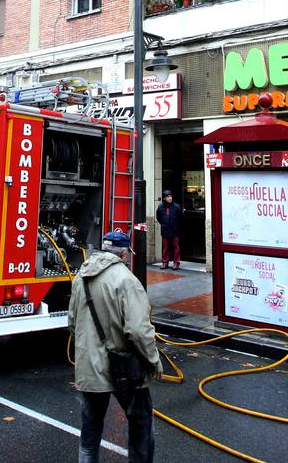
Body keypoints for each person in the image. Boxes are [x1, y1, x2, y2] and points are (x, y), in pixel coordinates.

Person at [68, 230, 160, 463]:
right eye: (128, 253)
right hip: (125, 368)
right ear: (123, 253)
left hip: (90, 367)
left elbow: (72, 321)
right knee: (141, 425)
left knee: (90, 432)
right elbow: (139, 330)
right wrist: (153, 361)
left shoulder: (81, 276)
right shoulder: (127, 280)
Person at [155, 189, 181, 270]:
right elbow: (158, 217)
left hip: (174, 230)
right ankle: (165, 263)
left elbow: (180, 218)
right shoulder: (160, 207)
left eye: (170, 196)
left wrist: (176, 226)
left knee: (176, 247)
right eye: (167, 197)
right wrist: (164, 224)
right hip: (165, 230)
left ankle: (176, 263)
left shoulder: (176, 206)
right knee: (165, 248)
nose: (170, 198)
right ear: (164, 198)